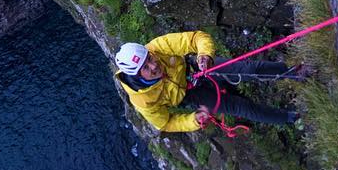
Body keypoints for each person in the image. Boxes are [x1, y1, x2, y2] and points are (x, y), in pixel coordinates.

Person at [113, 33, 308, 133]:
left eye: (151, 59)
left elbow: (196, 38)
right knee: (242, 107)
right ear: (136, 76)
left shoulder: (157, 47)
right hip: (192, 94)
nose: (154, 66)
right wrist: (193, 121)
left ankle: (294, 72)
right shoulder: (143, 100)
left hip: (197, 68)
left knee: (247, 69)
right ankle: (291, 118)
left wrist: (204, 55)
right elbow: (165, 123)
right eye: (146, 68)